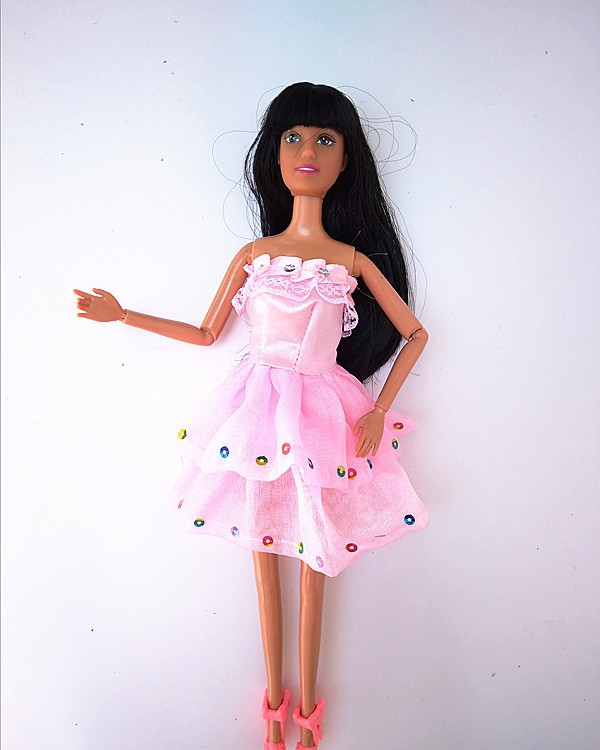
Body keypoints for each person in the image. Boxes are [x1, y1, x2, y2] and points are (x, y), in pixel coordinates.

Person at [74, 82, 429, 750]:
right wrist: (124, 315)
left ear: (346, 158)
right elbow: (208, 333)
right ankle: (273, 710)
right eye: (293, 137)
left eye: (325, 139)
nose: (307, 151)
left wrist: (380, 409)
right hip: (255, 410)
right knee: (262, 552)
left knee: (315, 549)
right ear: (274, 152)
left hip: (323, 410)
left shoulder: (349, 262)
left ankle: (308, 714)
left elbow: (416, 334)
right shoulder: (254, 256)